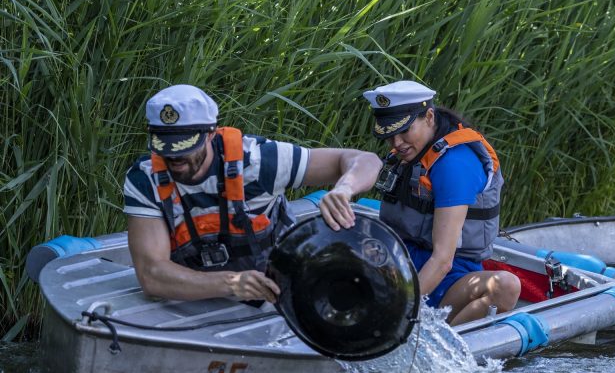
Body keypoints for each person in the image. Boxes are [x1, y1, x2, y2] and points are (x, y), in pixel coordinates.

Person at [124, 84, 382, 303]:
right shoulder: (145, 180)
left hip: (280, 289)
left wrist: (344, 188)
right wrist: (231, 283)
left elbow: (366, 160)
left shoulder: (260, 162)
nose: (174, 157)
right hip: (197, 297)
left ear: (211, 133)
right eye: (165, 147)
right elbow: (152, 275)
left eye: (184, 147)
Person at [363, 80, 520, 326]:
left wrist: (395, 316)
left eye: (404, 131)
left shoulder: (454, 164)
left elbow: (443, 260)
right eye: (390, 135)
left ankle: (444, 339)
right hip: (396, 261)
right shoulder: (411, 151)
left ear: (428, 116)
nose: (396, 143)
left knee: (506, 286)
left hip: (448, 276)